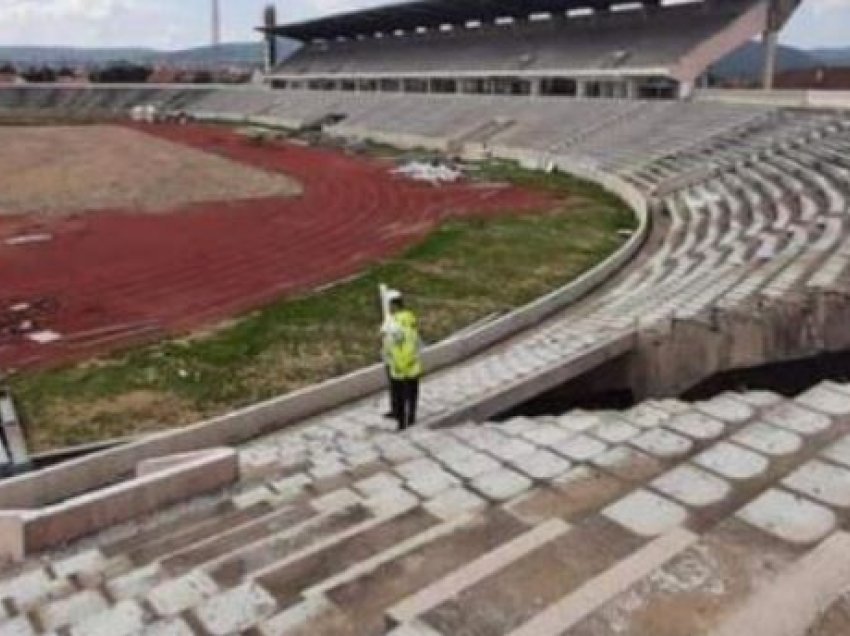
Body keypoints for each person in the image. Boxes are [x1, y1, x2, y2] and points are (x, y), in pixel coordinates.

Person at [386, 295, 422, 431]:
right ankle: (412, 417)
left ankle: (402, 423)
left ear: (394, 307)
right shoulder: (411, 320)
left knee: (400, 395)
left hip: (398, 366)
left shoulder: (394, 323)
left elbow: (391, 344)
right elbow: (416, 342)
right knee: (412, 393)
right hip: (412, 364)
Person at [380, 288, 403, 420]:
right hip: (395, 356)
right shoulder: (401, 317)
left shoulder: (396, 320)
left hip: (397, 356)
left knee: (397, 384)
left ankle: (399, 410)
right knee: (395, 384)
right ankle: (396, 409)